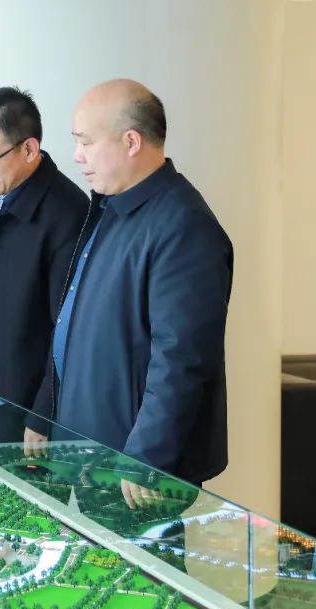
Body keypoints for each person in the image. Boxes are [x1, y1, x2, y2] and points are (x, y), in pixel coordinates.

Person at [29, 79, 233, 504]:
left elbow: (180, 360)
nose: (77, 155)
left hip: (133, 473)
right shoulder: (112, 207)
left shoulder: (184, 226)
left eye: (86, 142)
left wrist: (146, 458)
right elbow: (74, 322)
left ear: (131, 141)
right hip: (90, 454)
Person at [0, 87, 88, 443]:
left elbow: (69, 331)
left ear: (29, 149)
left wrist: (43, 415)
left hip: (23, 415)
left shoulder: (67, 212)